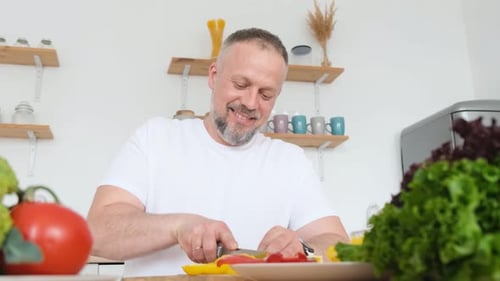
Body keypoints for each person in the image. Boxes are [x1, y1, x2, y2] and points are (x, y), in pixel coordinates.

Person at [87, 27, 349, 277]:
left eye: (266, 94)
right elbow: (97, 232)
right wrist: (178, 227)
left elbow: (338, 244)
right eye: (241, 84)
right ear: (213, 76)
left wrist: (303, 249)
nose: (250, 103)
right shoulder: (155, 138)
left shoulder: (290, 161)